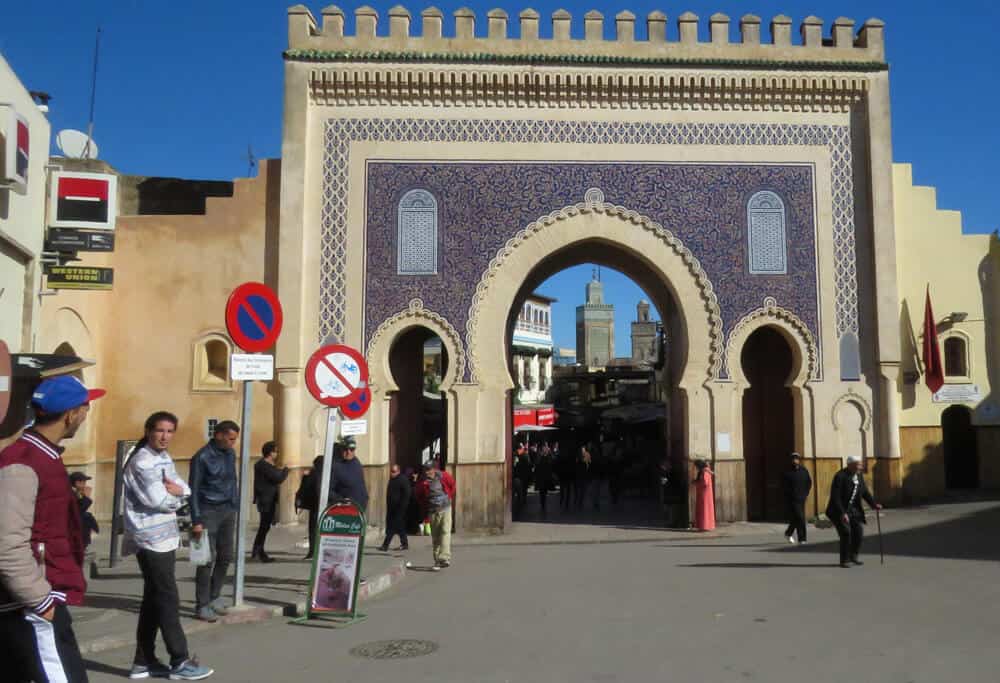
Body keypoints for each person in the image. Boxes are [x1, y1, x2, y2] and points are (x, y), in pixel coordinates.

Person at [0, 375, 103, 683]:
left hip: (38, 596)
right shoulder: (22, 463)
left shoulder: (43, 455)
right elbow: (6, 543)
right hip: (31, 602)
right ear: (72, 413)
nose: (86, 414)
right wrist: (40, 599)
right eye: (85, 407)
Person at [123, 411, 214, 681]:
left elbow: (180, 485)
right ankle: (180, 660)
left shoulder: (162, 457)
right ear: (148, 430)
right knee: (167, 597)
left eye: (170, 431)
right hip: (149, 538)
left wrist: (181, 492)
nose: (165, 436)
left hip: (165, 536)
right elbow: (157, 499)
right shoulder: (141, 461)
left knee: (154, 598)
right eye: (160, 430)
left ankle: (143, 661)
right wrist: (181, 497)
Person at [189, 420, 240, 621]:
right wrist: (196, 519)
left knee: (226, 556)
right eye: (230, 438)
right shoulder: (201, 457)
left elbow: (232, 480)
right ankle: (201, 604)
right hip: (208, 511)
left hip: (227, 510)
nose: (233, 443)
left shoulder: (230, 454)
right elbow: (192, 490)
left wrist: (234, 505)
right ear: (218, 435)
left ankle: (215, 596)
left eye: (235, 439)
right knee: (204, 560)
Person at [826, 455, 881, 568]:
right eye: (858, 465)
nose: (861, 467)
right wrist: (842, 513)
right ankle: (844, 560)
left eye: (861, 464)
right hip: (837, 510)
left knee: (858, 532)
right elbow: (835, 497)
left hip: (853, 510)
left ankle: (853, 556)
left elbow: (864, 492)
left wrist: (874, 505)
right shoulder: (840, 476)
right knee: (846, 533)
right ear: (850, 465)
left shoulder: (859, 475)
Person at [252, 441, 289, 563]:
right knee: (264, 526)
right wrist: (285, 471)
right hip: (265, 499)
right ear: (270, 452)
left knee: (265, 526)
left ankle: (259, 551)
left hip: (268, 498)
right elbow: (277, 478)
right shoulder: (263, 465)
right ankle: (257, 551)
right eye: (275, 451)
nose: (277, 454)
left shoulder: (267, 465)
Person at [415, 460, 456, 570]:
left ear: (434, 469)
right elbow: (419, 496)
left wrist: (448, 498)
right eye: (425, 470)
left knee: (445, 532)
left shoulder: (444, 476)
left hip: (446, 508)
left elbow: (452, 486)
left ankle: (445, 558)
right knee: (436, 536)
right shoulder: (423, 482)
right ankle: (437, 560)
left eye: (428, 469)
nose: (427, 472)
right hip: (433, 510)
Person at [321, 437, 369, 512]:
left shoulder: (356, 462)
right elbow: (328, 491)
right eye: (345, 449)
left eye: (352, 449)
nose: (349, 452)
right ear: (341, 449)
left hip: (360, 509)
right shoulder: (335, 467)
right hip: (345, 511)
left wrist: (365, 497)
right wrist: (342, 500)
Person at [70, 471, 100, 578]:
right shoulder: (70, 493)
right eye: (83, 482)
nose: (85, 485)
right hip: (75, 531)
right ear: (77, 482)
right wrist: (86, 497)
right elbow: (77, 511)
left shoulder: (76, 493)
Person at [379, 463, 411, 551]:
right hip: (392, 508)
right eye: (391, 471)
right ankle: (405, 544)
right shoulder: (392, 480)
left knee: (392, 527)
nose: (391, 473)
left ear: (398, 471)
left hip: (399, 508)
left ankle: (385, 545)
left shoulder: (403, 480)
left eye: (394, 471)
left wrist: (402, 507)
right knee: (400, 527)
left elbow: (407, 494)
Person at [782, 452, 813, 544]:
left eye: (797, 459)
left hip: (802, 498)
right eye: (793, 459)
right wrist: (788, 496)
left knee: (796, 518)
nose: (795, 460)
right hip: (792, 499)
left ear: (799, 460)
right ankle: (802, 539)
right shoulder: (787, 472)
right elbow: (783, 486)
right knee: (800, 518)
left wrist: (806, 493)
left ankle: (788, 533)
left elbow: (809, 482)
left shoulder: (804, 471)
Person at [295, 456, 322, 560]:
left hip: (315, 506)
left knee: (313, 529)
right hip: (325, 506)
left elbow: (305, 488)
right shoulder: (327, 474)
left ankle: (312, 552)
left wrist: (305, 477)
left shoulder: (313, 474)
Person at [693, 459, 716, 531]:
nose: (696, 468)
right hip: (704, 494)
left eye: (696, 466)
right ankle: (704, 525)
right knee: (705, 509)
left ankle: (705, 525)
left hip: (704, 494)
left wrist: (696, 483)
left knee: (704, 510)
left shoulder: (705, 472)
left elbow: (704, 483)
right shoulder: (705, 471)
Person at [533, 447, 554, 518]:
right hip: (545, 479)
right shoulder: (548, 460)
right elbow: (550, 468)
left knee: (542, 493)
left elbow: (536, 469)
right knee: (544, 492)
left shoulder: (539, 460)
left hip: (541, 479)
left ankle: (542, 505)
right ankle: (543, 505)